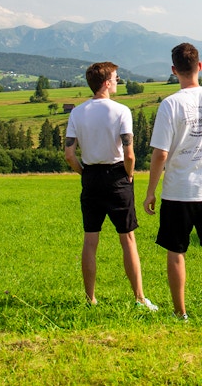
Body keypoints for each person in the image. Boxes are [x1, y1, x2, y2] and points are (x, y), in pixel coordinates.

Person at [64, 61, 157, 310]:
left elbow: (69, 155)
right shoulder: (121, 111)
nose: (118, 81)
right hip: (117, 176)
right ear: (106, 83)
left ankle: (90, 299)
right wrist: (129, 175)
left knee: (90, 239)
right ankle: (139, 298)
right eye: (116, 77)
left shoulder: (76, 112)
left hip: (91, 177)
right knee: (127, 239)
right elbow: (129, 155)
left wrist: (84, 173)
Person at [144, 42, 202, 320]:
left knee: (176, 251)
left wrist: (150, 191)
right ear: (199, 67)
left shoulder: (170, 104)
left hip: (179, 190)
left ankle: (180, 312)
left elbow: (160, 153)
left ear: (173, 70)